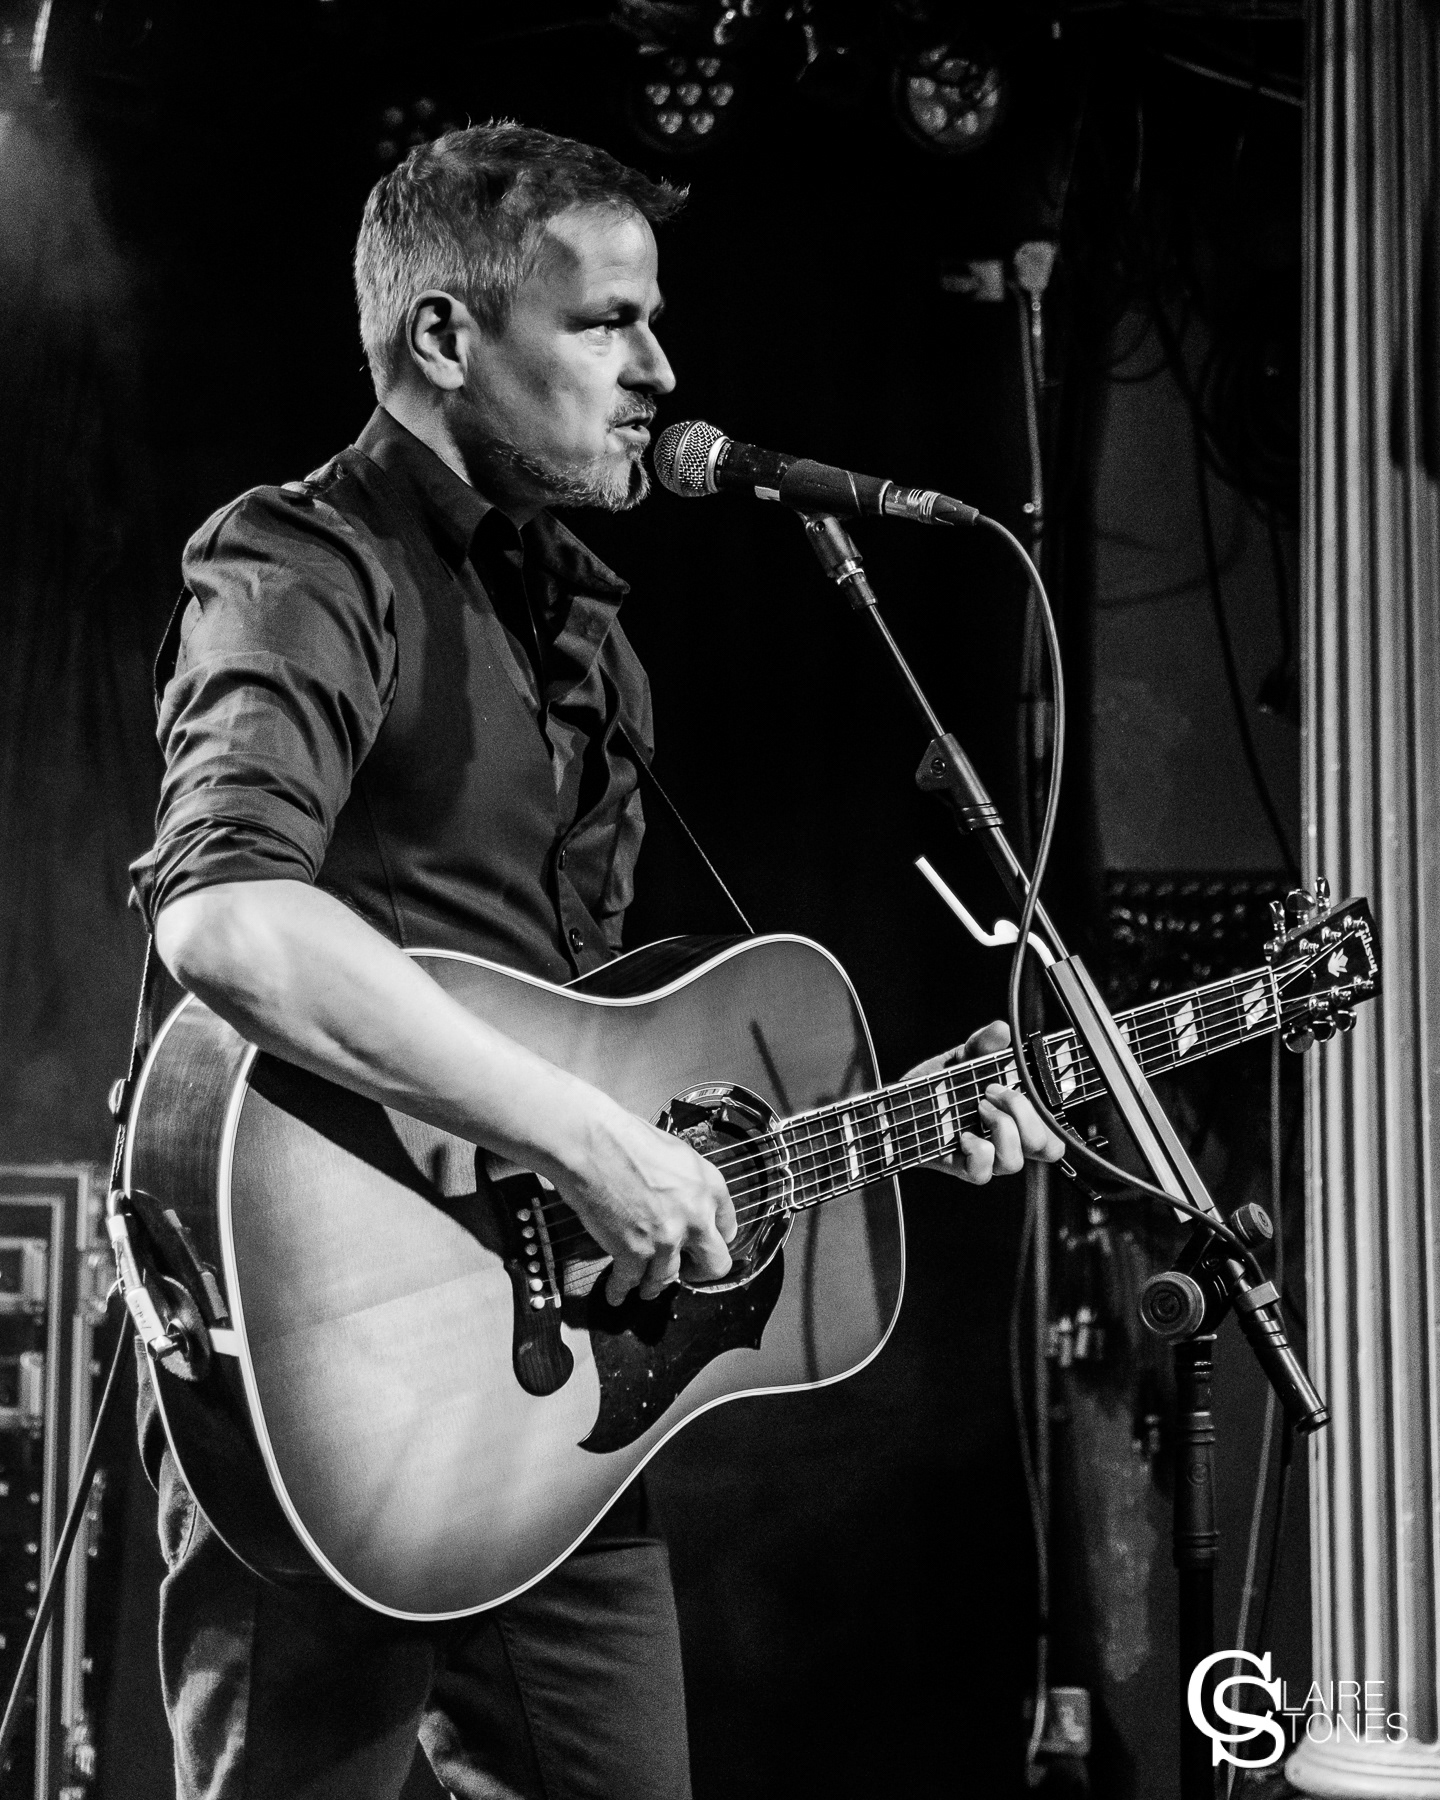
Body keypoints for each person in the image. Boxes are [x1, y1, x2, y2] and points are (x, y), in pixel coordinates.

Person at [130, 121, 1063, 1800]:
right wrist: (583, 1142)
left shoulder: (591, 635)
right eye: (608, 322)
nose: (661, 370)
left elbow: (607, 1041)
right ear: (445, 336)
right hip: (319, 1362)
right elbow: (226, 916)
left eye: (656, 321)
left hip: (554, 1406)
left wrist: (892, 1121)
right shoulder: (301, 561)